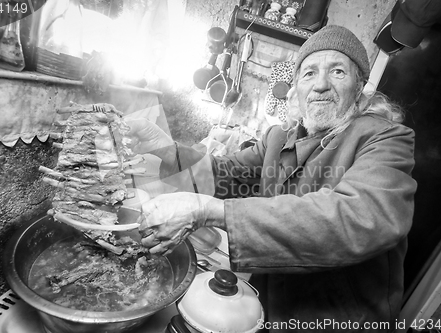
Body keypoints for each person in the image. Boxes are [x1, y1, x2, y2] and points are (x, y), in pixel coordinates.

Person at [127, 25, 417, 332]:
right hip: (269, 308)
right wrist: (165, 148)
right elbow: (224, 175)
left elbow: (364, 218)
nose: (320, 85)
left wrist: (209, 211)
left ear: (359, 91)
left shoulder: (385, 139)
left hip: (338, 319)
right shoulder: (279, 139)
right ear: (296, 91)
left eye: (337, 72)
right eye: (308, 73)